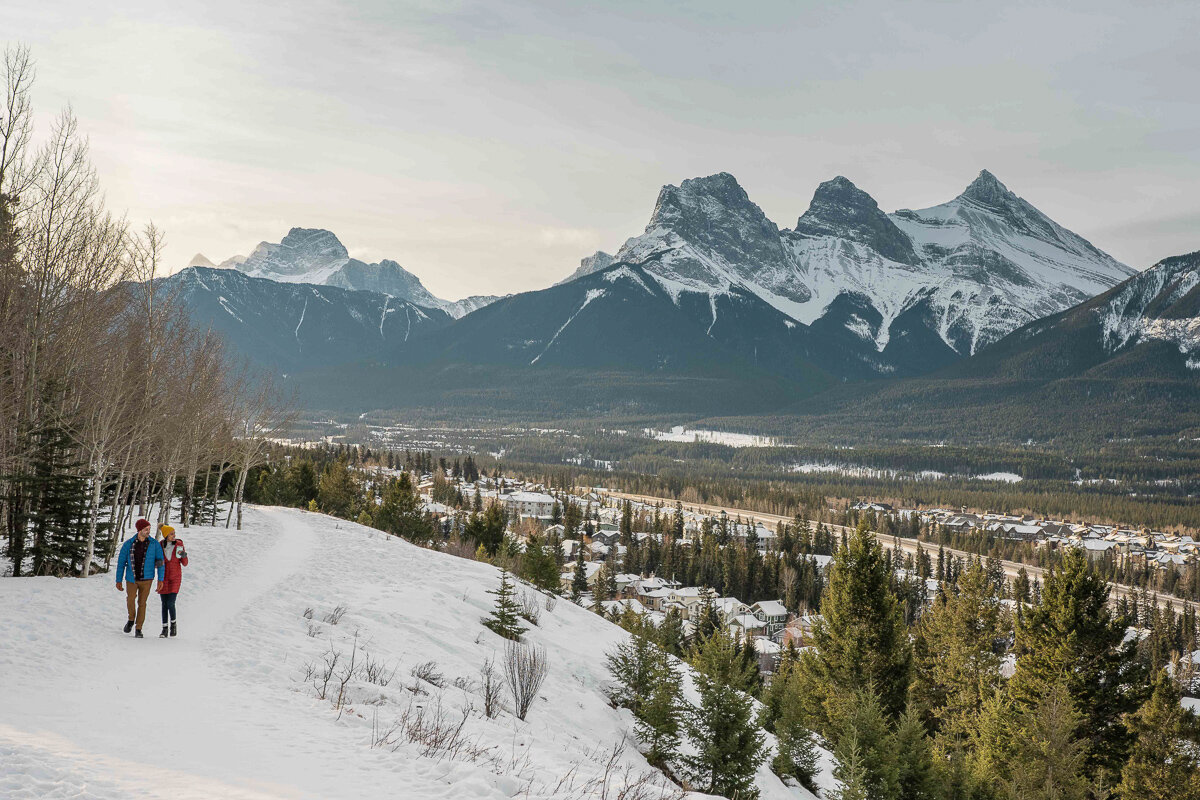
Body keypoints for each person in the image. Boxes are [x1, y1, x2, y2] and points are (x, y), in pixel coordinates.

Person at [115, 518, 164, 638]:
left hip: (147, 579)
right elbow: (121, 563)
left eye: (149, 529)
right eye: (146, 529)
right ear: (139, 530)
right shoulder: (128, 544)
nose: (148, 531)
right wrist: (118, 580)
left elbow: (160, 563)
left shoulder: (154, 544)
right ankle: (131, 619)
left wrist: (160, 579)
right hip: (132, 579)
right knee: (130, 599)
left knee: (142, 603)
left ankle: (138, 628)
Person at [156, 524, 188, 638]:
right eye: (171, 534)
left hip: (175, 577)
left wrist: (183, 554)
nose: (174, 536)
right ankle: (164, 629)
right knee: (164, 604)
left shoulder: (179, 545)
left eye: (174, 533)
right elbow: (157, 562)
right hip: (163, 578)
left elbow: (185, 563)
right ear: (166, 536)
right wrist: (158, 564)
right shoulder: (160, 545)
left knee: (171, 602)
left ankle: (173, 625)